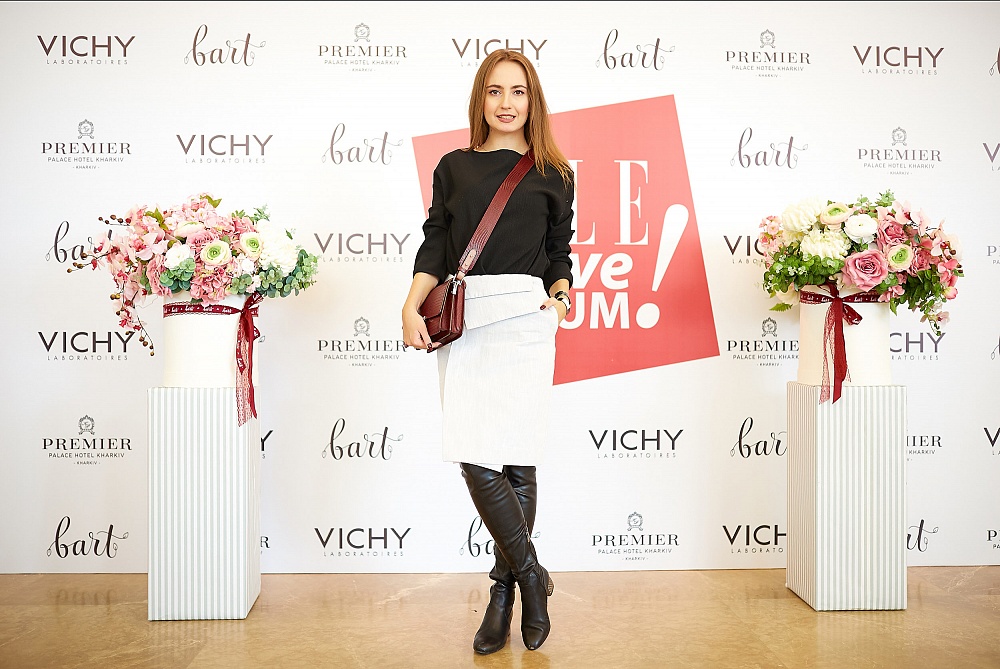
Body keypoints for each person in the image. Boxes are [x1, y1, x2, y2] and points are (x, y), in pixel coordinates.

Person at [401, 49, 575, 655]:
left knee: (518, 456)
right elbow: (437, 243)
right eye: (495, 91)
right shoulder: (453, 166)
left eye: (518, 92)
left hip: (526, 316)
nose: (507, 103)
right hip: (468, 316)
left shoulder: (555, 173)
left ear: (533, 101)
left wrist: (560, 297)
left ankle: (502, 592)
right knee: (475, 454)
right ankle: (531, 576)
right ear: (480, 99)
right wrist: (411, 304)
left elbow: (559, 250)